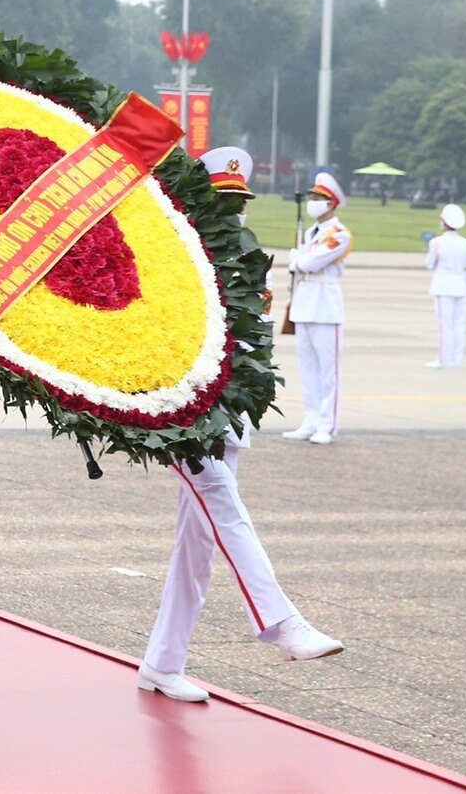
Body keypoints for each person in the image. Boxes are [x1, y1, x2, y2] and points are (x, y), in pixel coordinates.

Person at [140, 147, 345, 703]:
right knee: (225, 511)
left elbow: (251, 344)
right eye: (222, 201)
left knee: (197, 548)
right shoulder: (174, 255)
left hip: (227, 417)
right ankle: (283, 623)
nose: (233, 212)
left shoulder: (242, 259)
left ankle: (162, 663)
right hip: (185, 418)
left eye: (238, 202)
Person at [284, 174, 349, 447]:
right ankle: (310, 419)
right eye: (311, 198)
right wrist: (299, 260)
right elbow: (302, 262)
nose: (312, 203)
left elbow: (310, 263)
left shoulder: (339, 234)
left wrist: (297, 259)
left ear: (331, 203)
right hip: (304, 302)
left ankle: (327, 424)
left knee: (327, 370)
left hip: (325, 305)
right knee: (307, 367)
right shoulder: (312, 233)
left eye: (318, 199)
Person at [425, 203, 466, 370]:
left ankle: (443, 360)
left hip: (443, 286)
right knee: (458, 324)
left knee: (445, 325)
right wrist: (465, 280)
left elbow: (429, 264)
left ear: (444, 222)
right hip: (460, 286)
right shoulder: (465, 243)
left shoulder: (436, 242)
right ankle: (455, 359)